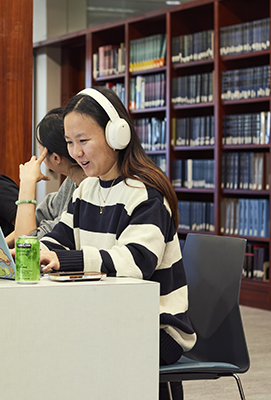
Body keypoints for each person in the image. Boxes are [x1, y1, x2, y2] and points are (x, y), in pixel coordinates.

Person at [38, 87, 196, 400]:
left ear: (117, 134)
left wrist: (68, 260)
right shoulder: (87, 191)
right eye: (70, 143)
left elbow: (135, 262)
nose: (76, 153)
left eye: (83, 141)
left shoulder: (146, 194)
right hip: (112, 316)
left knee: (66, 347)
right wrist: (36, 251)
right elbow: (58, 240)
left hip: (155, 328)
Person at [5, 108, 87, 246]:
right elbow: (39, 217)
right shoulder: (72, 182)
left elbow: (26, 246)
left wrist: (27, 183)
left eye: (39, 148)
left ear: (55, 158)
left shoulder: (86, 193)